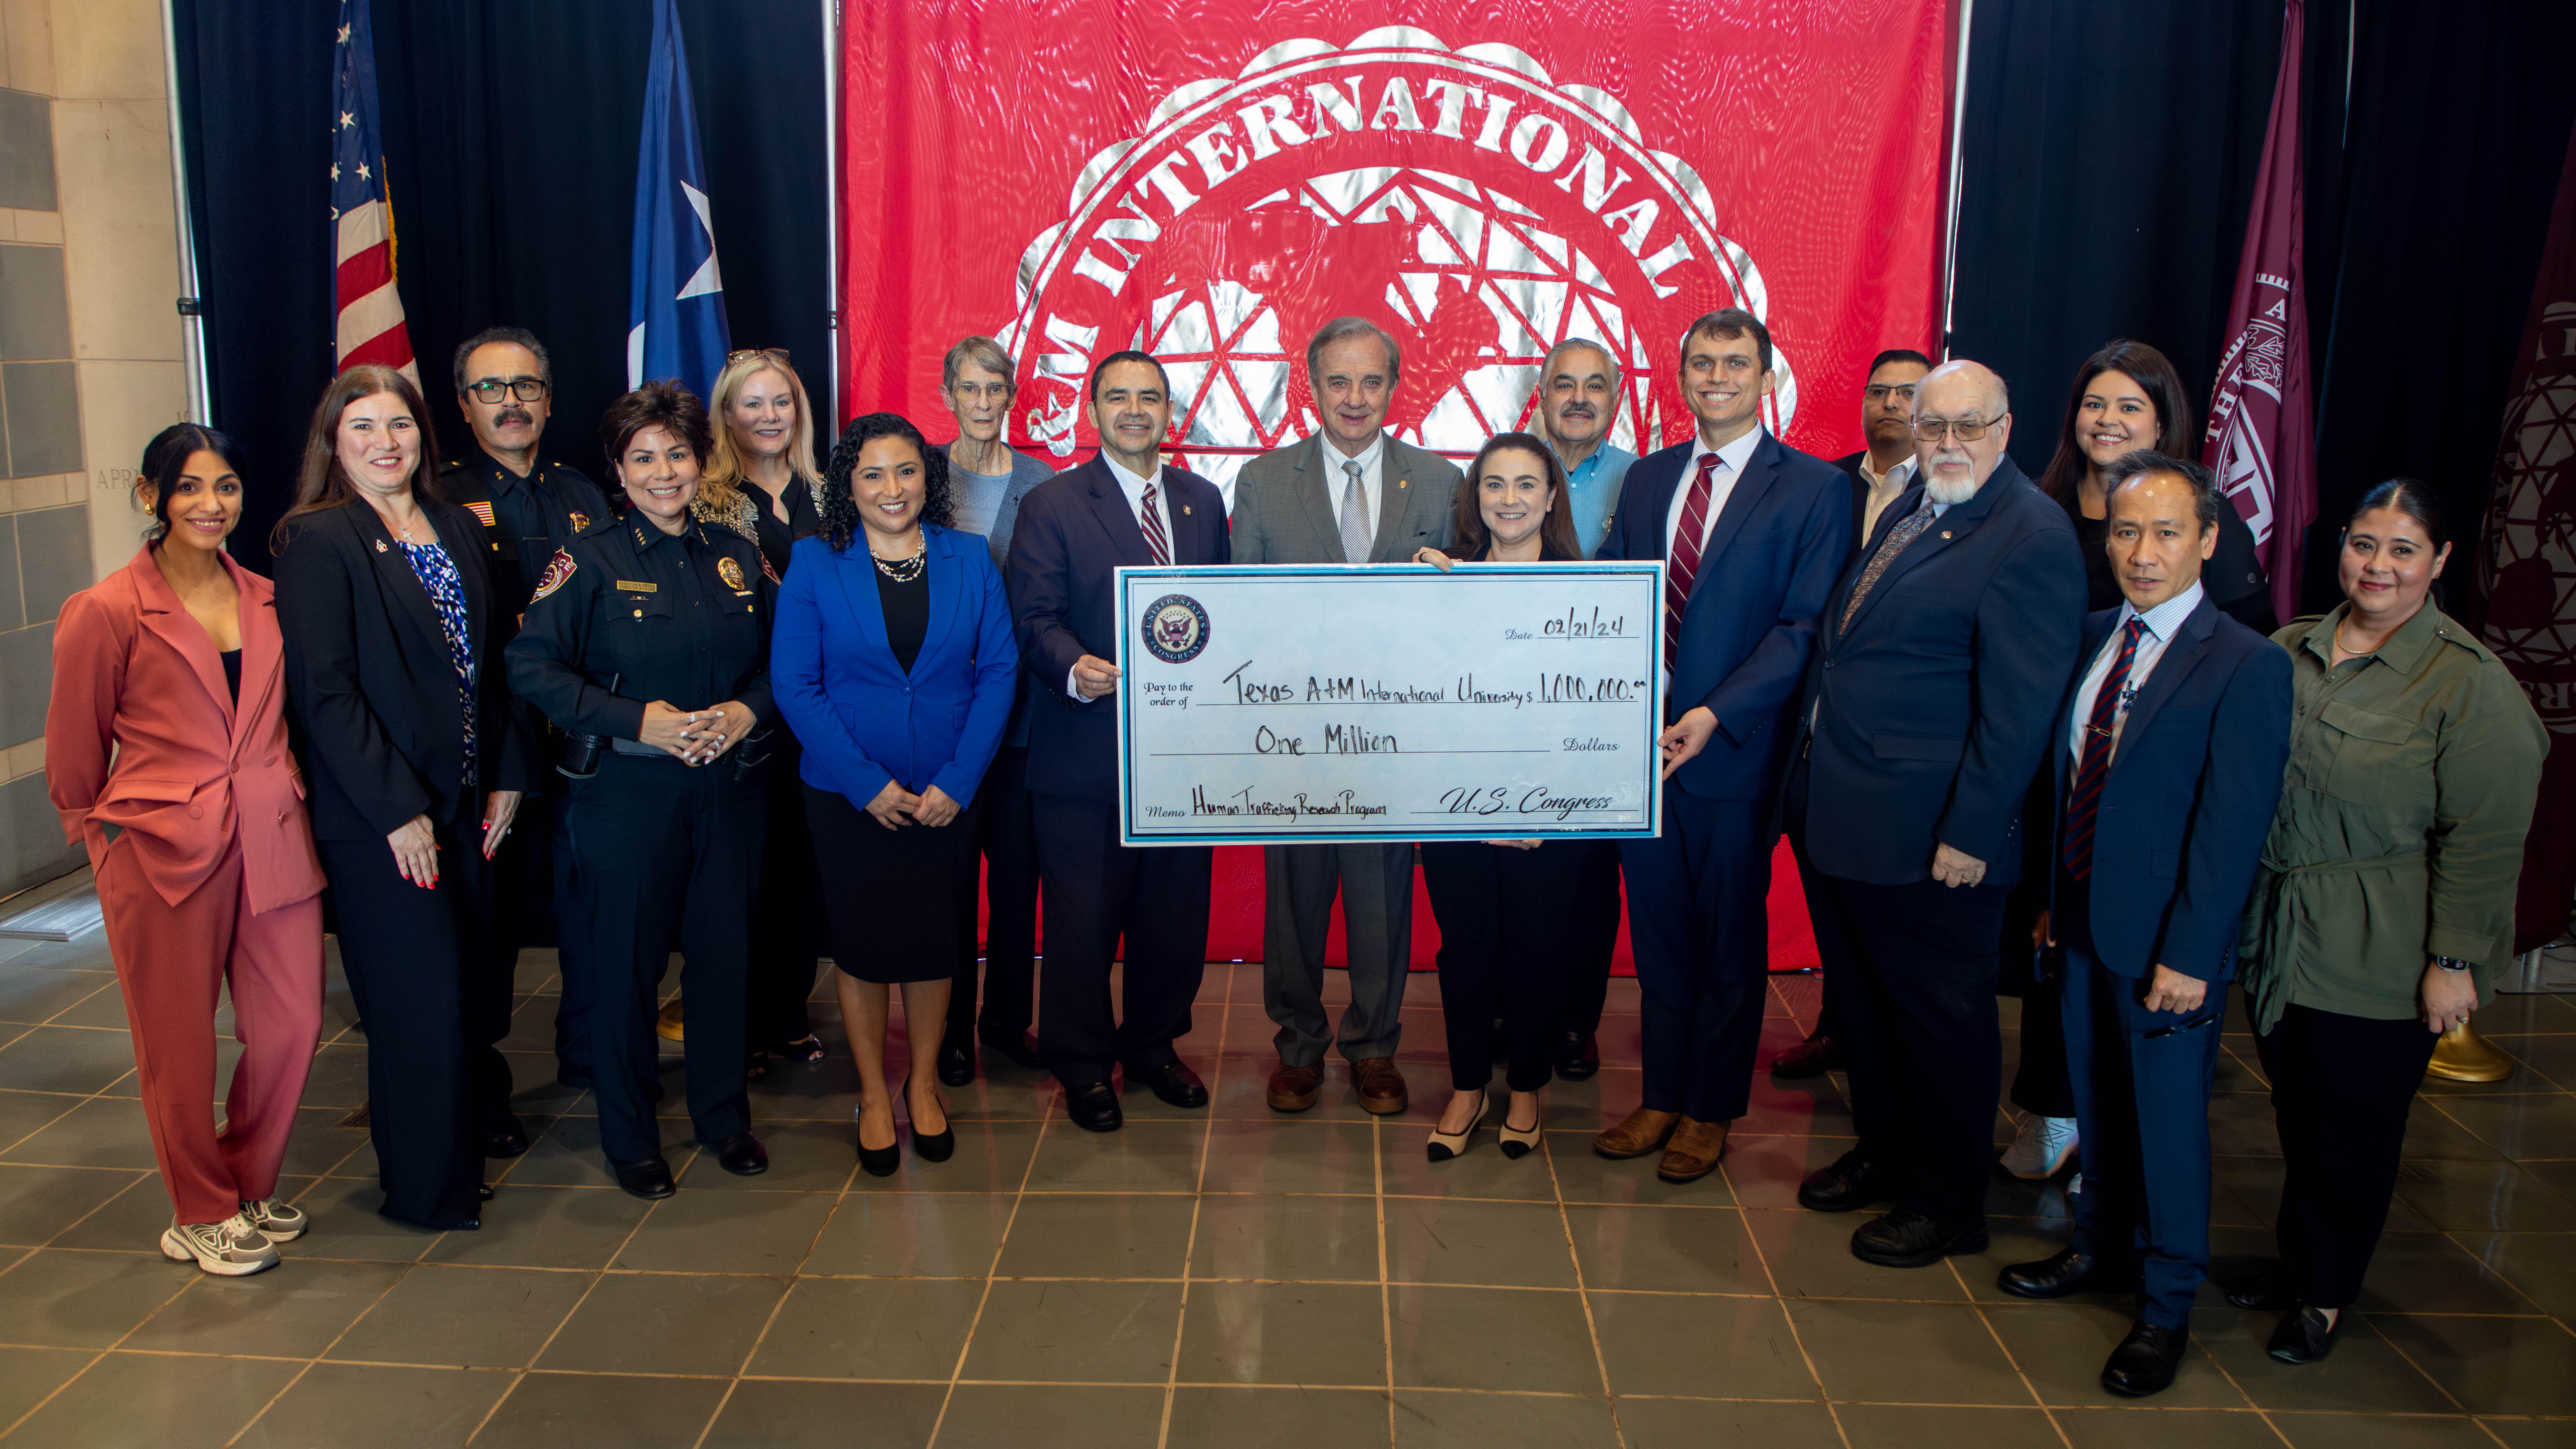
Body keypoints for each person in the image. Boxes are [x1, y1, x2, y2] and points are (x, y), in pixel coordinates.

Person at [1994, 452, 2291, 1397]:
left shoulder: (2248, 662)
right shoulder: (2092, 636)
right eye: (2126, 530)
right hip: (2082, 921)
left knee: (2167, 1127)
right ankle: (2099, 1251)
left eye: (2167, 532)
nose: (2143, 551)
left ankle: (2166, 1306)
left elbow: (2231, 825)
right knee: (2097, 1103)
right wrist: (2052, 899)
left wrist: (2193, 953)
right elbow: (2073, 785)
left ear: (2207, 540)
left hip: (2169, 946)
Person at [2228, 480, 2544, 1364]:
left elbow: (2486, 838)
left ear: (2440, 562)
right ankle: (2300, 1260)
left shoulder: (2469, 684)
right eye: (2365, 543)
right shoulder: (2291, 648)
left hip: (2383, 941)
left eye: (2403, 549)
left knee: (2352, 1128)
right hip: (2285, 929)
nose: (2378, 565)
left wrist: (2454, 958)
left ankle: (2325, 1293)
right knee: (2299, 1110)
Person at [1785, 359, 2086, 1267]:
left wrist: (1973, 829)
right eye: (1933, 425)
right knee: (1869, 1011)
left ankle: (1949, 1201)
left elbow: (2022, 709)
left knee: (1941, 1023)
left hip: (1932, 836)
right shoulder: (1920, 503)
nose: (1947, 442)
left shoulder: (2030, 532)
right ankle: (1888, 1151)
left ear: (2005, 429)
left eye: (1968, 425)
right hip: (1847, 814)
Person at [46, 426, 326, 1275]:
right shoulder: (105, 609)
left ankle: (244, 1181)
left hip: (272, 834)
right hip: (162, 848)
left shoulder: (272, 597)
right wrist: (104, 839)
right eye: (190, 487)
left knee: (293, 1024)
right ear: (150, 496)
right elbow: (73, 752)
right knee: (178, 1044)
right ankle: (197, 1209)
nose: (212, 504)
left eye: (228, 485)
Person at [1998, 342, 2273, 1179]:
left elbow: (2235, 670)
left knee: (2138, 985)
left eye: (2130, 407)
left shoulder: (2192, 517)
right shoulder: (2037, 507)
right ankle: (2054, 1108)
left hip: (2153, 784)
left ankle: (2129, 1185)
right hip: (2060, 767)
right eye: (2095, 404)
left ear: (2164, 422)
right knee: (2059, 962)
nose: (2107, 420)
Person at [1590, 309, 1852, 1185]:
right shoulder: (1648, 479)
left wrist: (1717, 712)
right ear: (1681, 375)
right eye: (1701, 361)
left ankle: (1711, 1111)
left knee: (1728, 947)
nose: (1716, 375)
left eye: (1735, 362)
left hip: (1733, 754)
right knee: (1660, 941)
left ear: (1768, 376)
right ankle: (1663, 1094)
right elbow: (1611, 604)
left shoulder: (1816, 488)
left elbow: (1801, 627)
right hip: (1642, 755)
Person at [272, 365, 534, 1231]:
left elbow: (489, 667)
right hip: (385, 820)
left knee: (461, 999)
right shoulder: (318, 539)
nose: (387, 443)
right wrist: (395, 808)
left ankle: (455, 1165)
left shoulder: (456, 524)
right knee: (415, 1007)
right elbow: (327, 694)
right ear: (334, 444)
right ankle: (425, 1191)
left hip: (465, 800)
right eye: (364, 429)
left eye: (400, 426)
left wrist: (505, 768)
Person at [505, 381, 774, 1199]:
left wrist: (744, 709)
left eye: (678, 454)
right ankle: (630, 1135)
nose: (665, 472)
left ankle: (724, 1118)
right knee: (622, 971)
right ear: (619, 471)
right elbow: (529, 664)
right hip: (626, 794)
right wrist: (636, 718)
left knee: (725, 965)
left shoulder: (735, 554)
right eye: (644, 457)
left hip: (727, 793)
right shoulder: (587, 560)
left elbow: (784, 665)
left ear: (702, 462)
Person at [772, 412, 1018, 1172]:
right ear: (848, 484)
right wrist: (866, 784)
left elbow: (999, 671)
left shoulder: (971, 557)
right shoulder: (815, 561)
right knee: (865, 945)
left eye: (907, 470)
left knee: (934, 943)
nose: (892, 488)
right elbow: (795, 683)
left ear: (929, 476)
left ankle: (921, 1087)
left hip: (946, 792)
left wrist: (958, 780)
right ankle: (874, 1094)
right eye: (872, 473)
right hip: (849, 796)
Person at [1230, 317, 1461, 1116]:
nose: (1355, 398)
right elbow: (1241, 614)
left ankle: (1374, 1047)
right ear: (1312, 386)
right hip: (1291, 738)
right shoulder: (1262, 482)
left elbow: (1458, 616)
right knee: (1294, 902)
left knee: (1381, 899)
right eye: (1339, 381)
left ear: (1396, 387)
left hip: (1396, 744)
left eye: (1371, 381)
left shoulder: (1440, 482)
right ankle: (1297, 1046)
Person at [1007, 351, 1229, 1133]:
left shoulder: (1204, 503)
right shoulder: (1054, 503)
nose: (1135, 410)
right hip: (1086, 751)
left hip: (1182, 760)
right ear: (1093, 409)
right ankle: (1081, 1064)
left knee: (1173, 914)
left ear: (1171, 410)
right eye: (1118, 397)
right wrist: (1075, 669)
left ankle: (1153, 1047)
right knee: (1082, 923)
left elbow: (1221, 620)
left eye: (1151, 397)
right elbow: (1033, 620)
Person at [441, 326, 614, 1103]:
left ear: (548, 399)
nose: (511, 404)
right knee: (488, 925)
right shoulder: (435, 500)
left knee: (590, 913)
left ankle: (587, 1053)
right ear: (463, 405)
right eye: (491, 389)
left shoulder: (584, 493)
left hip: (579, 744)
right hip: (488, 750)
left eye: (526, 388)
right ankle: (482, 1084)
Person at [1410, 434, 1587, 1159]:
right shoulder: (1444, 580)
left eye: (1524, 484)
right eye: (1492, 485)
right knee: (1468, 948)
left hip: (1552, 808)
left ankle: (1528, 1089)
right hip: (1454, 806)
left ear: (1552, 497)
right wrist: (1416, 602)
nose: (1507, 499)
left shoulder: (1592, 588)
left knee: (1538, 949)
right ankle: (1467, 1086)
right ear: (1474, 499)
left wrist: (1546, 798)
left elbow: (1609, 703)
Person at [1778, 346, 1933, 1083]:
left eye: (1908, 393)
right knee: (1826, 898)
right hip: (1808, 727)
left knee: (1883, 916)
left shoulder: (1947, 494)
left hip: (1891, 742)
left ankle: (1881, 1044)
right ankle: (1839, 1026)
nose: (1890, 405)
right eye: (1878, 391)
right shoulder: (1825, 484)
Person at [696, 347, 832, 1080]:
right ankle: (738, 1023)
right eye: (753, 403)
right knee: (741, 878)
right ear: (727, 415)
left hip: (822, 710)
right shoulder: (705, 499)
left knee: (799, 876)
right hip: (747, 707)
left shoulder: (830, 490)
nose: (769, 416)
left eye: (781, 402)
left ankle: (787, 1013)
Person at [933, 335, 1056, 1086]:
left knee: (1018, 881)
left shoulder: (1042, 483)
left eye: (996, 390)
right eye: (970, 389)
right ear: (949, 392)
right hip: (944, 721)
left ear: (1013, 396)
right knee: (948, 888)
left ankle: (1006, 1023)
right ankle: (947, 1034)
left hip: (1019, 723)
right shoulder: (915, 474)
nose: (983, 403)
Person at [1530, 338, 1637, 1082]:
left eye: (1594, 385)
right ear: (1538, 394)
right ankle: (1511, 1010)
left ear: (1617, 397)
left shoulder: (1647, 479)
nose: (1578, 398)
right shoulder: (1500, 471)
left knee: (1590, 879)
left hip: (1603, 715)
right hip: (1506, 707)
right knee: (1510, 870)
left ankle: (1574, 1021)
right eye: (1563, 384)